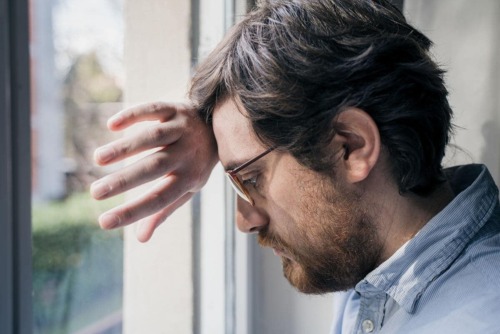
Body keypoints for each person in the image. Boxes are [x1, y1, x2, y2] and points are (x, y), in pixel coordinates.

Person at [91, 0, 500, 332]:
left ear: (351, 147)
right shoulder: (373, 258)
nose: (245, 220)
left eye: (251, 179)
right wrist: (215, 128)